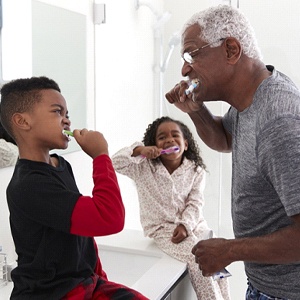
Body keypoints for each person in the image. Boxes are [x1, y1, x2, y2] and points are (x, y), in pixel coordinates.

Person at [165, 4, 300, 300]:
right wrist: (195, 110)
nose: (185, 69)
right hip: (265, 285)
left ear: (230, 50)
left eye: (192, 54)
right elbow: (226, 139)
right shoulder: (249, 99)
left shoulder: (279, 120)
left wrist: (230, 250)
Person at [0, 76, 149, 300]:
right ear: (22, 121)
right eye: (57, 112)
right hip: (50, 295)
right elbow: (108, 218)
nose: (67, 120)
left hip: (84, 284)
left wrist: (99, 277)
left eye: (67, 114)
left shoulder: (61, 165)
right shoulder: (29, 185)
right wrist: (100, 156)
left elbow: (83, 234)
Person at [112, 116, 231, 300]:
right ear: (155, 146)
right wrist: (140, 150)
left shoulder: (195, 171)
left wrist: (185, 226)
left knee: (217, 257)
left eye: (175, 135)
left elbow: (195, 202)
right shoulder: (143, 167)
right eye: (162, 137)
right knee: (199, 257)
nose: (169, 139)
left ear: (185, 144)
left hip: (194, 225)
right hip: (163, 229)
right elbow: (116, 163)